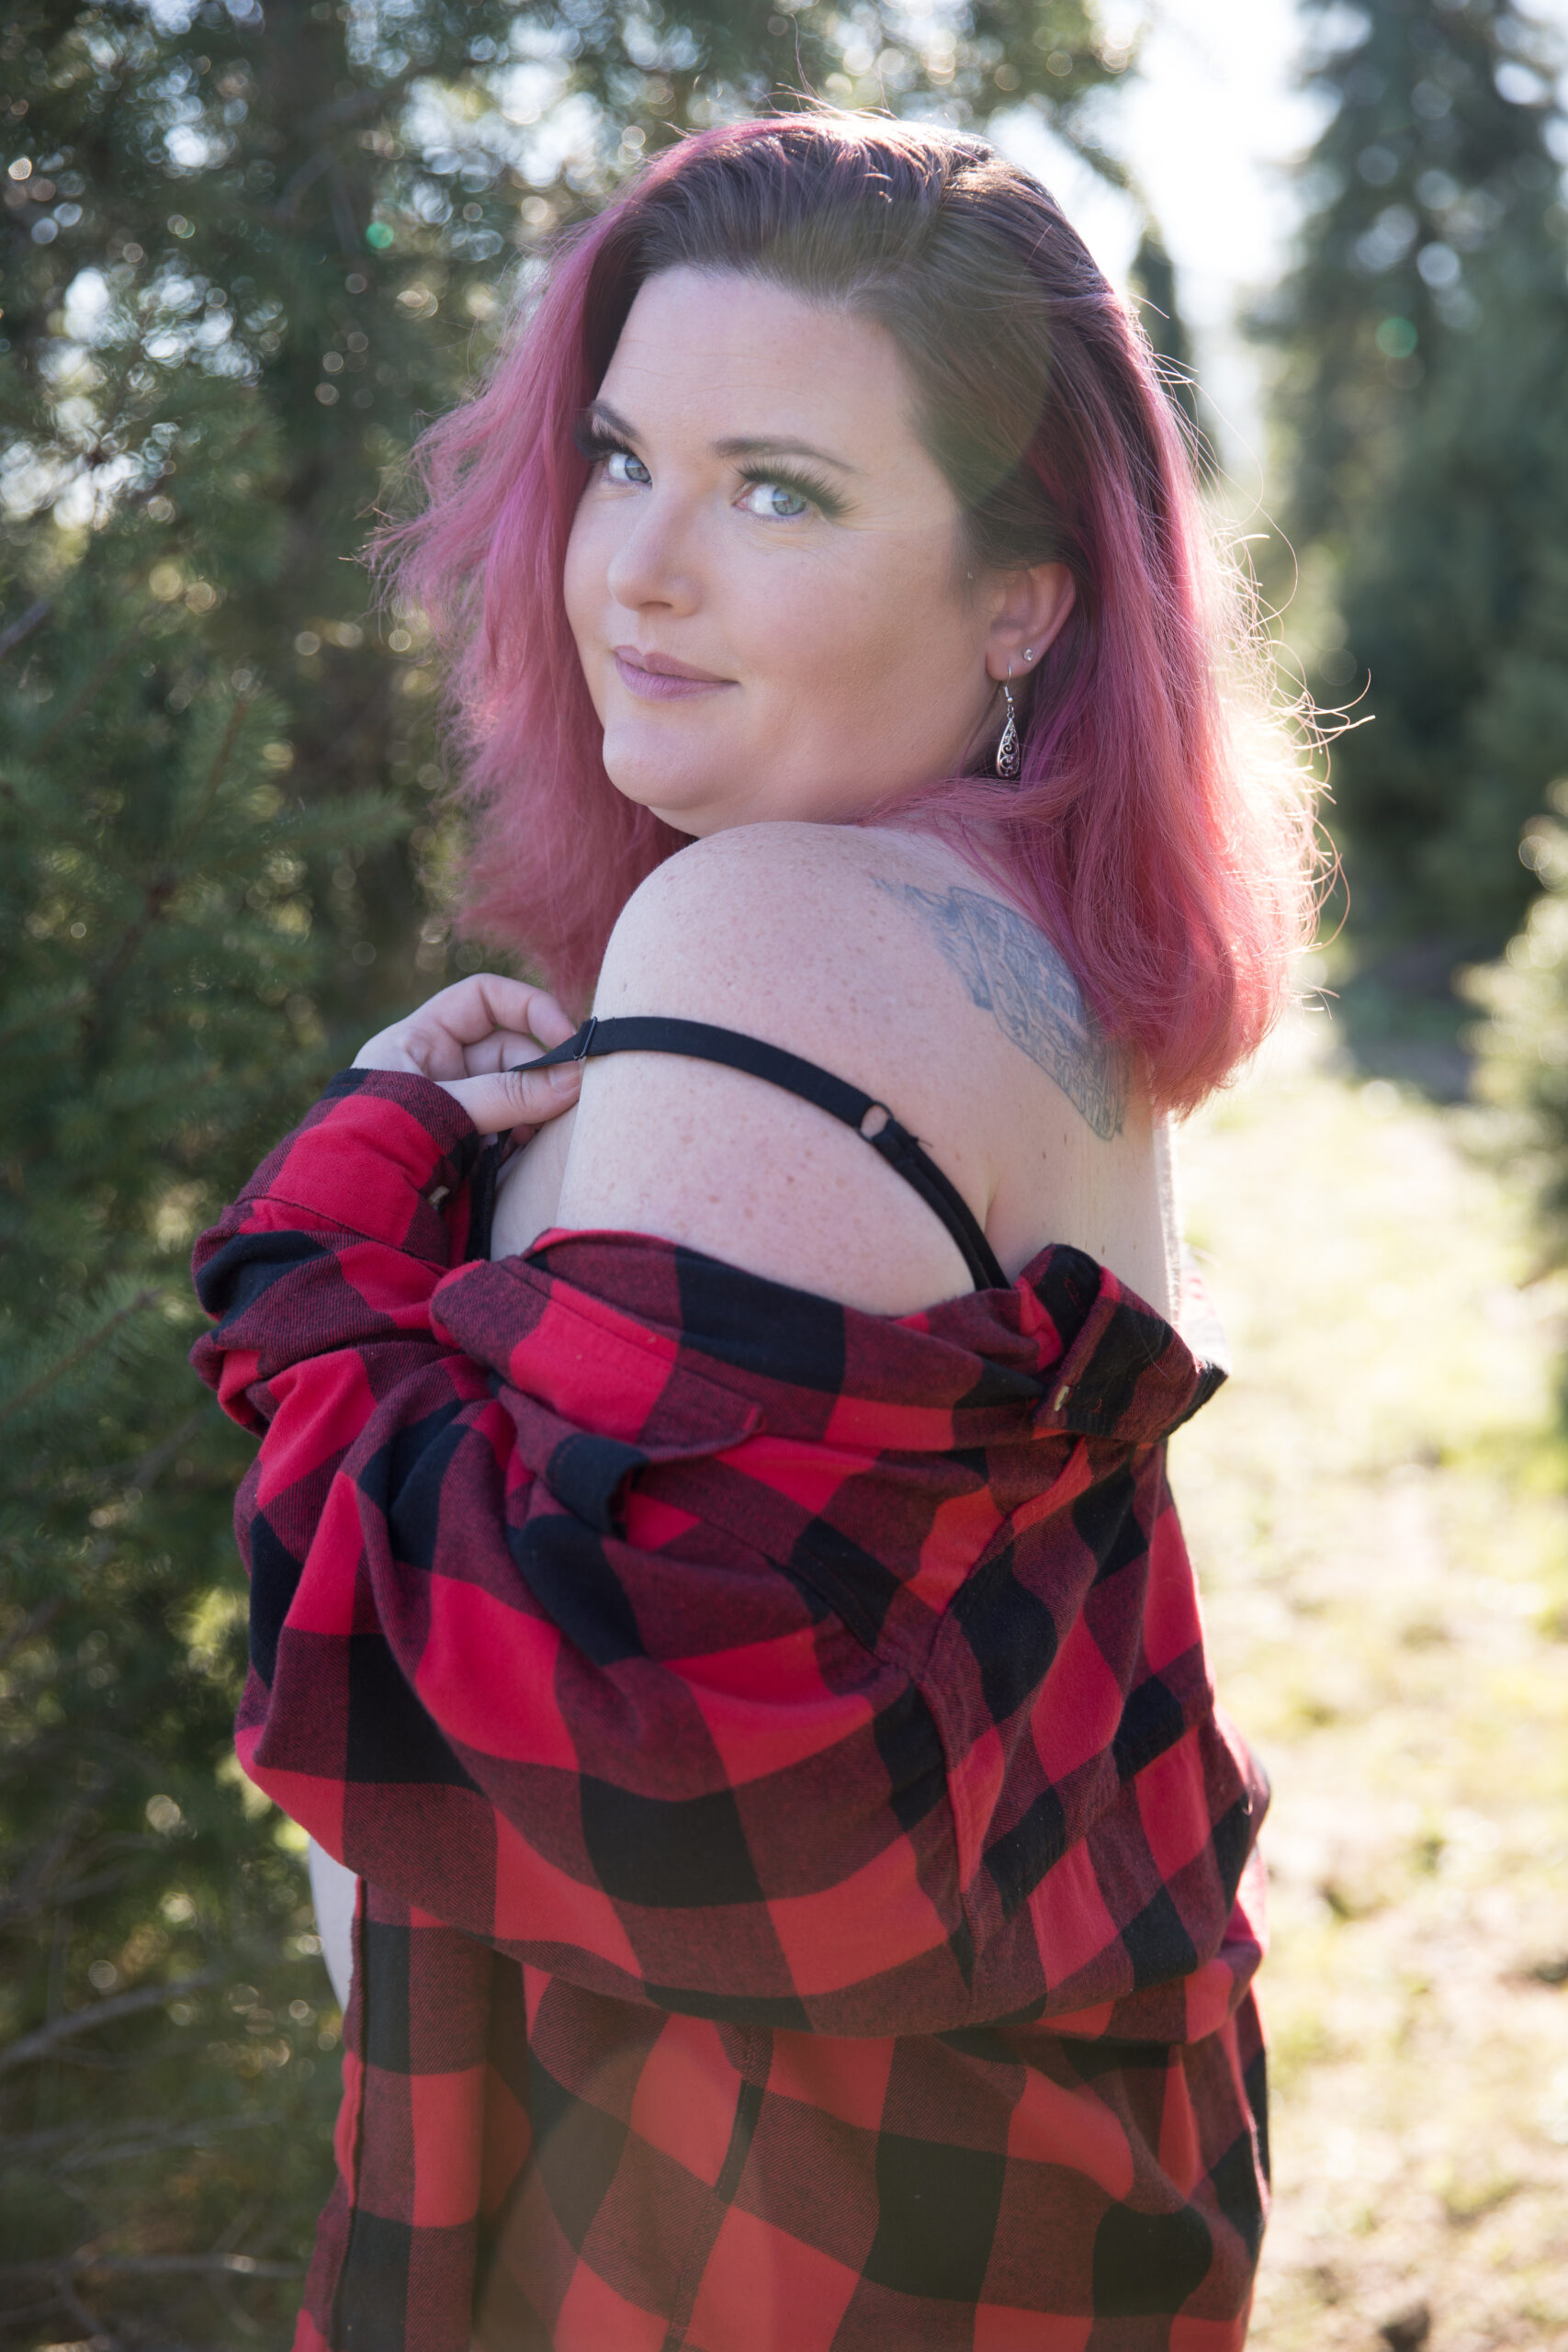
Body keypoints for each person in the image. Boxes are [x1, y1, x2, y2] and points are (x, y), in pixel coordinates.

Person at [193, 113, 1314, 2352]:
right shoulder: (1013, 933)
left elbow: (613, 1746)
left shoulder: (769, 927)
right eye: (621, 458)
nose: (635, 568)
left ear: (1020, 591)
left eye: (774, 488)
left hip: (741, 2229)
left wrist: (339, 1220)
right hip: (1004, 2182)